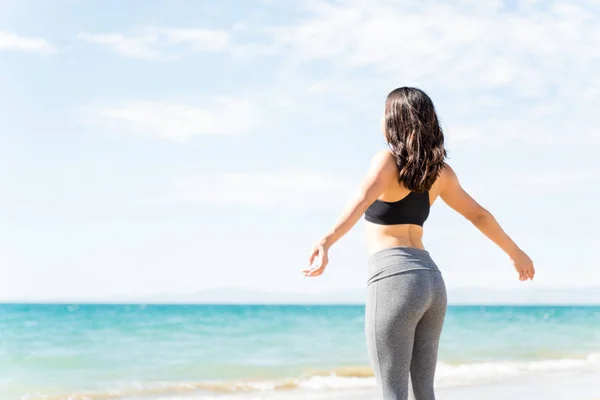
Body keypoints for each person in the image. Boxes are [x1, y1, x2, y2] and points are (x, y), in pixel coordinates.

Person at [302, 87, 535, 399]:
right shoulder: (440, 174)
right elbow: (479, 215)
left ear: (393, 121)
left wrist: (327, 240)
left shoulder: (386, 161)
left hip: (393, 278)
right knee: (423, 391)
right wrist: (515, 253)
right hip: (432, 283)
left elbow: (360, 200)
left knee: (392, 391)